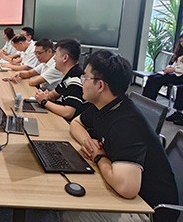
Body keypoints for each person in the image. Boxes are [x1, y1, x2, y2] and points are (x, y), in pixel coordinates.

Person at [66, 50, 179, 222]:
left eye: (85, 78)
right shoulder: (104, 105)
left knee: (71, 210)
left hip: (148, 210)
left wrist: (99, 157)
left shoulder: (126, 123)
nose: (82, 82)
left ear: (100, 85)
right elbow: (76, 123)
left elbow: (127, 188)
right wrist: (88, 142)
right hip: (126, 189)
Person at [34, 38, 88, 121]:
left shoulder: (75, 79)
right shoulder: (68, 75)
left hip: (68, 124)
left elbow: (68, 113)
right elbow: (54, 94)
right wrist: (44, 95)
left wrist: (44, 101)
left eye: (56, 54)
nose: (54, 59)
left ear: (65, 58)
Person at [142, 33, 183, 125]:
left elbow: (180, 69)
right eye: (180, 42)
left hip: (180, 76)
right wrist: (169, 69)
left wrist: (173, 69)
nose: (181, 44)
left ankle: (150, 103)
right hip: (175, 74)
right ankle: (146, 100)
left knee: (157, 80)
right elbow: (175, 65)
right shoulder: (180, 52)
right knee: (152, 77)